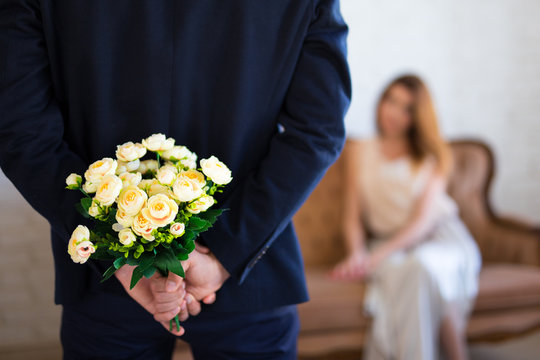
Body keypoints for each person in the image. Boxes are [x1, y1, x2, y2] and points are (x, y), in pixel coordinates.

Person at [0, 1, 351, 359]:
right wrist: (224, 254)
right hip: (248, 272)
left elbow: (21, 134)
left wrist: (116, 251)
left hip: (109, 282)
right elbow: (317, 130)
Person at [330, 75, 481, 360]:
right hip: (391, 244)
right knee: (411, 273)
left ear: (417, 116)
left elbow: (423, 222)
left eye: (407, 108)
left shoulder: (434, 157)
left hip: (441, 239)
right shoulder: (360, 151)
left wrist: (374, 259)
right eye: (391, 101)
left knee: (422, 268)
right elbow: (352, 215)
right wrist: (356, 253)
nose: (394, 113)